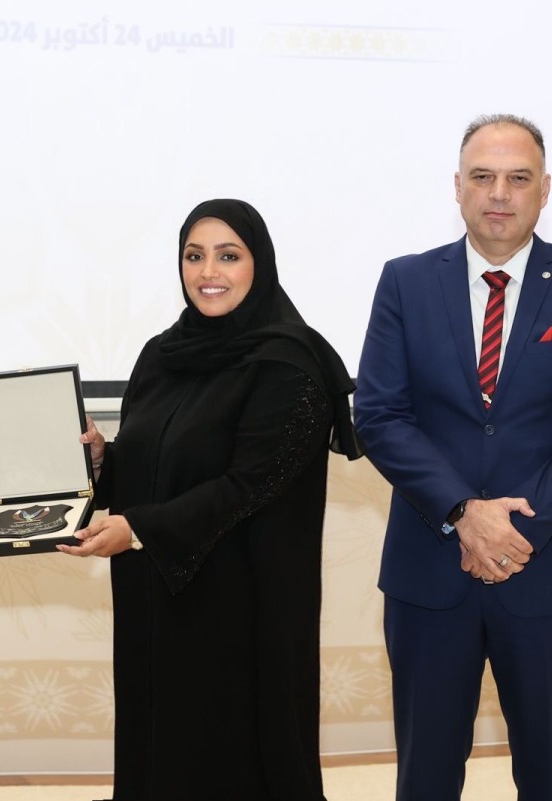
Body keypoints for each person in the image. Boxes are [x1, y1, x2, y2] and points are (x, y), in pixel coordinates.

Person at [353, 115, 552, 801]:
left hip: (551, 575)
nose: (499, 193)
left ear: (545, 190)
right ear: (458, 187)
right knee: (424, 778)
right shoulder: (406, 282)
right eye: (482, 177)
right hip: (430, 575)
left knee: (549, 777)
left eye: (518, 178)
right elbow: (379, 414)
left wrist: (517, 532)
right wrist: (463, 512)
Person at [59, 198, 363, 800]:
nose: (208, 272)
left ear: (260, 265)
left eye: (229, 255)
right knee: (163, 750)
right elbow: (156, 464)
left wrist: (137, 529)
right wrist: (104, 462)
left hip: (242, 611)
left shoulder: (289, 363)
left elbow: (247, 486)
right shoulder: (163, 354)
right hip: (159, 601)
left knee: (234, 758)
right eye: (194, 256)